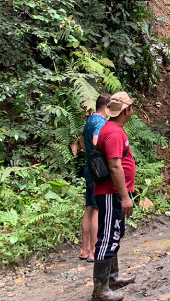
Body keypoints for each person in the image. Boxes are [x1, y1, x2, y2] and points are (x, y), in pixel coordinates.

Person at [92, 92, 137, 301]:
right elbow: (115, 165)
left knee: (115, 233)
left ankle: (112, 277)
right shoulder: (114, 133)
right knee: (107, 236)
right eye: (131, 107)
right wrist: (124, 196)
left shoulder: (113, 129)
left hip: (114, 192)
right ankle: (100, 290)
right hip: (111, 193)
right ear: (126, 110)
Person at [79, 93, 111, 263]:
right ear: (106, 106)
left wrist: (90, 154)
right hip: (98, 169)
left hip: (88, 166)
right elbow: (96, 139)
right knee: (97, 209)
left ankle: (84, 249)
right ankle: (94, 251)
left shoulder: (90, 119)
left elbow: (83, 142)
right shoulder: (100, 122)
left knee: (89, 208)